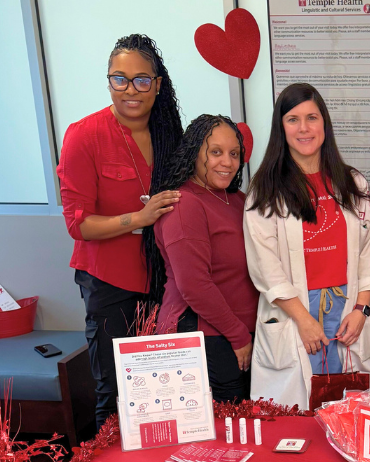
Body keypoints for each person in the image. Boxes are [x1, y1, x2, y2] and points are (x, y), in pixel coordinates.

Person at [59, 34, 183, 429]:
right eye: (120, 79)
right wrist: (139, 218)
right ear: (109, 81)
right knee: (115, 394)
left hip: (164, 281)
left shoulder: (169, 134)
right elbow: (78, 224)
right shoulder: (84, 135)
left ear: (157, 85)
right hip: (109, 283)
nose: (131, 90)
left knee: (163, 391)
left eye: (142, 80)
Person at [244, 83, 370, 407]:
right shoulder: (265, 191)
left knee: (349, 412)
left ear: (324, 123)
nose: (304, 128)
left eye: (312, 118)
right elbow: (265, 268)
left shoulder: (352, 183)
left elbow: (367, 254)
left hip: (347, 311)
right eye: (293, 119)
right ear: (281, 128)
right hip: (295, 312)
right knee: (297, 413)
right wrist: (304, 320)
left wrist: (361, 310)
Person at [153, 115, 255, 402]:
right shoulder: (185, 204)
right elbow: (194, 285)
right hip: (207, 335)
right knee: (225, 426)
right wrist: (238, 335)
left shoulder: (236, 199)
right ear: (194, 154)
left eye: (234, 154)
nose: (227, 162)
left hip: (238, 334)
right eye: (215, 152)